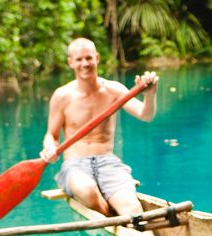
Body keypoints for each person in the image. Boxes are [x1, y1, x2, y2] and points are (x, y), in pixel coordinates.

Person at [40, 37, 158, 217]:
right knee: (87, 190)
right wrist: (50, 148)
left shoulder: (113, 90)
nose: (85, 63)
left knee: (133, 209)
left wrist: (150, 95)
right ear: (71, 62)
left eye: (88, 58)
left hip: (108, 162)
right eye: (79, 59)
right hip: (75, 165)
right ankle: (115, 219)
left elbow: (146, 115)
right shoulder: (62, 96)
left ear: (97, 58)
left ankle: (127, 221)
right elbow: (51, 135)